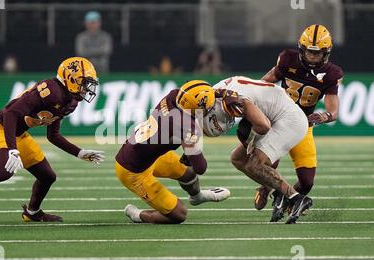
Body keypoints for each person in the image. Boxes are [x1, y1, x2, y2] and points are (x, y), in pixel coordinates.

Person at [0, 57, 105, 225]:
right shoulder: (50, 91)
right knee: (5, 170)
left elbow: (53, 135)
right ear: (71, 79)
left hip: (18, 133)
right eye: (85, 83)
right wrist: (12, 149)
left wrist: (79, 152)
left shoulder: (70, 102)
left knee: (47, 176)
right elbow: (11, 114)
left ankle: (32, 212)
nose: (87, 89)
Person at [253, 24, 344, 220]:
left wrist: (324, 116)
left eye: (317, 53)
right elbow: (265, 82)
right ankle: (266, 186)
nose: (312, 57)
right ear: (301, 49)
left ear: (326, 53)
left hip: (302, 126)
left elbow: (333, 111)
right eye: (309, 52)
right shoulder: (288, 59)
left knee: (307, 182)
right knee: (268, 163)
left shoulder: (332, 73)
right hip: (277, 120)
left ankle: (286, 197)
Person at [115, 80, 230, 224]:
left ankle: (197, 196)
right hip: (132, 171)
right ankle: (138, 215)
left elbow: (193, 99)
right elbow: (201, 167)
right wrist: (192, 149)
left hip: (150, 154)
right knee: (179, 214)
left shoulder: (174, 96)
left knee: (188, 173)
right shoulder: (185, 126)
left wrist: (221, 93)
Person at [209, 75, 312, 224]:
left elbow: (263, 126)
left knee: (255, 164)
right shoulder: (218, 90)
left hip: (290, 120)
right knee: (237, 158)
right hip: (275, 114)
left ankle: (296, 198)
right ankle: (278, 190)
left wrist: (251, 141)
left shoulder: (239, 100)